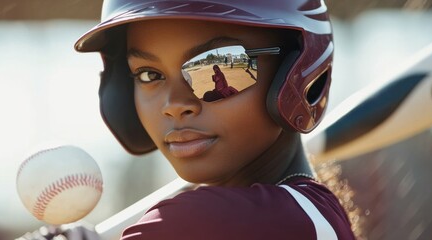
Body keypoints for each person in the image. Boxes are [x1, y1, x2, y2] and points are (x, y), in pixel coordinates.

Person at [70, 0, 355, 239]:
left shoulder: (194, 221)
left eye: (216, 65)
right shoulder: (314, 216)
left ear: (298, 70)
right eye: (149, 74)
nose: (175, 105)